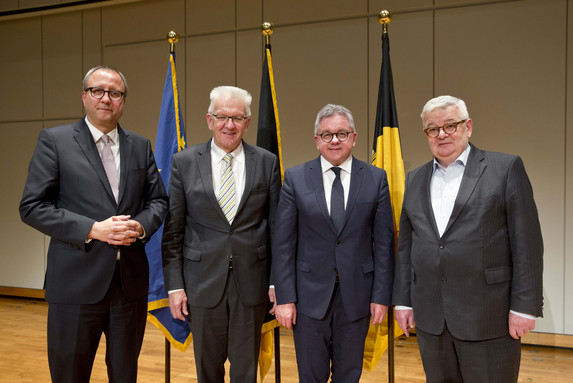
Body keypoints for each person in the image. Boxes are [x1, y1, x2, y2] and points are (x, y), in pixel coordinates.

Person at [19, 65, 168, 382]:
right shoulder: (55, 141)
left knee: (125, 375)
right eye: (98, 91)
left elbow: (159, 201)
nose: (106, 98)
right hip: (75, 285)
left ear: (123, 101)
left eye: (115, 93)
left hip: (129, 287)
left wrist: (140, 227)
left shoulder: (139, 146)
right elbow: (32, 206)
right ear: (84, 96)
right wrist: (92, 229)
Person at [392, 95, 544, 382]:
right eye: (432, 129)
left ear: (468, 126)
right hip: (432, 320)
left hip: (489, 317)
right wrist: (403, 301)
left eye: (450, 125)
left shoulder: (505, 168)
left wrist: (524, 306)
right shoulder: (415, 179)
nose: (442, 134)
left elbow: (527, 245)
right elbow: (407, 248)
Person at [162, 86, 281, 383]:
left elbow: (277, 228)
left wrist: (277, 281)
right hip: (202, 284)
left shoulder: (267, 162)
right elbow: (173, 230)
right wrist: (175, 286)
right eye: (222, 116)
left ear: (248, 122)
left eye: (237, 117)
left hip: (251, 284)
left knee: (245, 373)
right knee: (208, 372)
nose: (230, 124)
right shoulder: (184, 162)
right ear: (209, 120)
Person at [273, 104, 395, 382]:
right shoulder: (295, 178)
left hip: (358, 298)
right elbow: (283, 244)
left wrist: (381, 296)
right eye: (327, 135)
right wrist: (285, 298)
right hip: (307, 299)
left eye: (342, 133)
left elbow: (385, 244)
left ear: (354, 137)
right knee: (310, 376)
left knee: (349, 375)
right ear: (317, 141)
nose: (335, 140)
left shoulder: (375, 179)